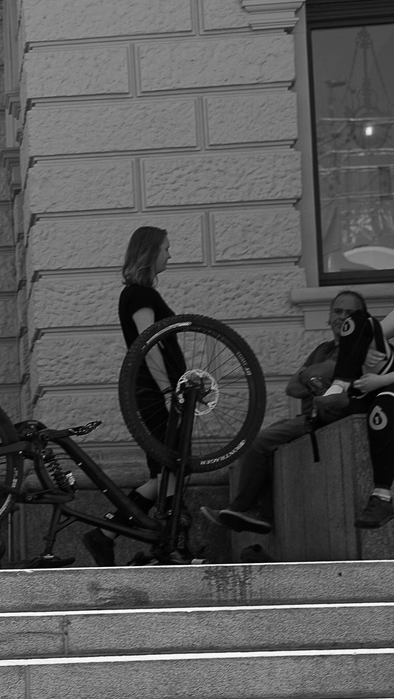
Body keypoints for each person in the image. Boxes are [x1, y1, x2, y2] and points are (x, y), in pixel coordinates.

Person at [217, 292, 394, 532]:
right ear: (329, 317)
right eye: (337, 312)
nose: (343, 317)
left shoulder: (359, 349)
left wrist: (311, 375)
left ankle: (246, 509)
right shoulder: (322, 349)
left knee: (260, 442)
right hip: (310, 417)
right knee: (260, 443)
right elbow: (293, 387)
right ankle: (256, 512)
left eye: (349, 313)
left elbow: (320, 374)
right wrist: (311, 377)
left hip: (327, 419)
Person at [97, 226, 184, 565]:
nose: (170, 255)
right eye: (166, 248)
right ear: (150, 252)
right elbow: (150, 344)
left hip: (155, 392)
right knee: (173, 467)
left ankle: (108, 535)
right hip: (153, 392)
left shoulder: (138, 293)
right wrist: (166, 388)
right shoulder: (139, 295)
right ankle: (170, 546)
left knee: (165, 474)